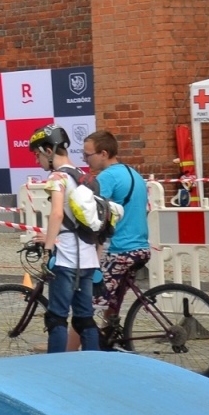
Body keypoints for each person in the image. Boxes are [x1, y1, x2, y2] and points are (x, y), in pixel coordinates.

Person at [29, 125, 101, 353]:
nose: (37, 160)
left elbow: (57, 214)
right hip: (88, 259)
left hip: (67, 259)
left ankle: (56, 369)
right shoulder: (84, 177)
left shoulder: (57, 177)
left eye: (38, 154)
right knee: (84, 319)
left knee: (57, 318)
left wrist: (48, 248)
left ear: (49, 150)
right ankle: (95, 364)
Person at [83, 129, 150, 339]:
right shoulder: (133, 172)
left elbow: (92, 213)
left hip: (120, 250)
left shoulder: (107, 177)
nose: (86, 160)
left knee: (84, 306)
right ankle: (107, 339)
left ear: (103, 153)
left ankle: (68, 353)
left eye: (88, 155)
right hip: (140, 248)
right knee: (112, 300)